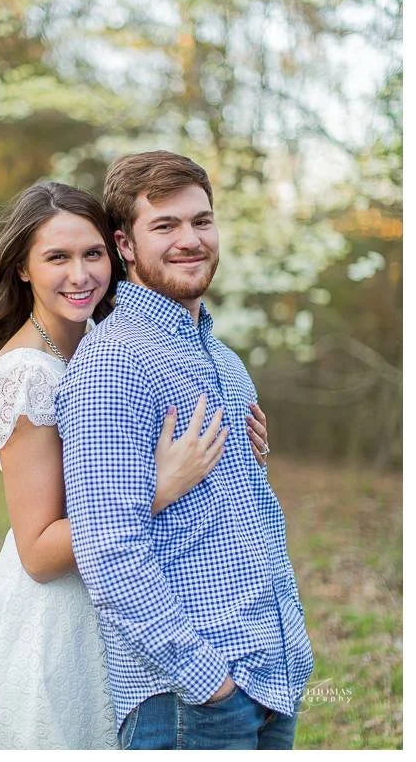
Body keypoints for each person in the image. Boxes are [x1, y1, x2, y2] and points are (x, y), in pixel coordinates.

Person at [0, 180, 269, 750]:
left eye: (93, 254)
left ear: (117, 253)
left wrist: (232, 442)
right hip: (64, 619)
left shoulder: (103, 343)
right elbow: (38, 551)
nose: (80, 275)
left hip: (134, 602)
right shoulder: (28, 375)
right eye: (57, 257)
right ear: (24, 268)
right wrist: (158, 486)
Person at [55, 151, 314, 751]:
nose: (189, 240)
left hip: (271, 676)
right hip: (188, 700)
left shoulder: (224, 361)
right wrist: (207, 680)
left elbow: (241, 512)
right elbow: (108, 549)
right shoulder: (113, 363)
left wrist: (290, 652)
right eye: (164, 225)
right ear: (124, 244)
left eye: (201, 221)